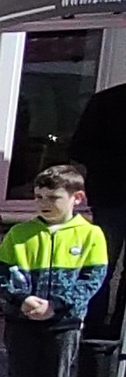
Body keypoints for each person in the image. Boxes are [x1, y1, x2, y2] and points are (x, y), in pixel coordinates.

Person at [0, 165, 109, 377]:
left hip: (63, 324)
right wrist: (22, 299)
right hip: (22, 321)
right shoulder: (20, 233)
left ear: (76, 198)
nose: (44, 203)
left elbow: (92, 280)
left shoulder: (91, 235)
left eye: (53, 197)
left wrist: (56, 305)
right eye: (39, 196)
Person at [67, 81, 126, 337]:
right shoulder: (108, 101)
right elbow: (79, 148)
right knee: (102, 264)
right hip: (112, 197)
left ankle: (119, 331)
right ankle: (93, 330)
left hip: (110, 195)